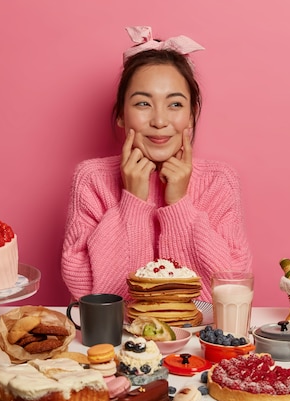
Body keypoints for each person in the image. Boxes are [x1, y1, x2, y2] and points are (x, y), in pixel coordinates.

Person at [61, 26, 252, 302]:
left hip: (196, 342)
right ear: (121, 115)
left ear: (191, 115)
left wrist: (179, 206)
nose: (160, 121)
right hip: (116, 342)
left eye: (175, 105)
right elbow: (93, 296)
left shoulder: (219, 181)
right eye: (142, 104)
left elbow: (229, 292)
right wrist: (132, 204)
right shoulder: (92, 179)